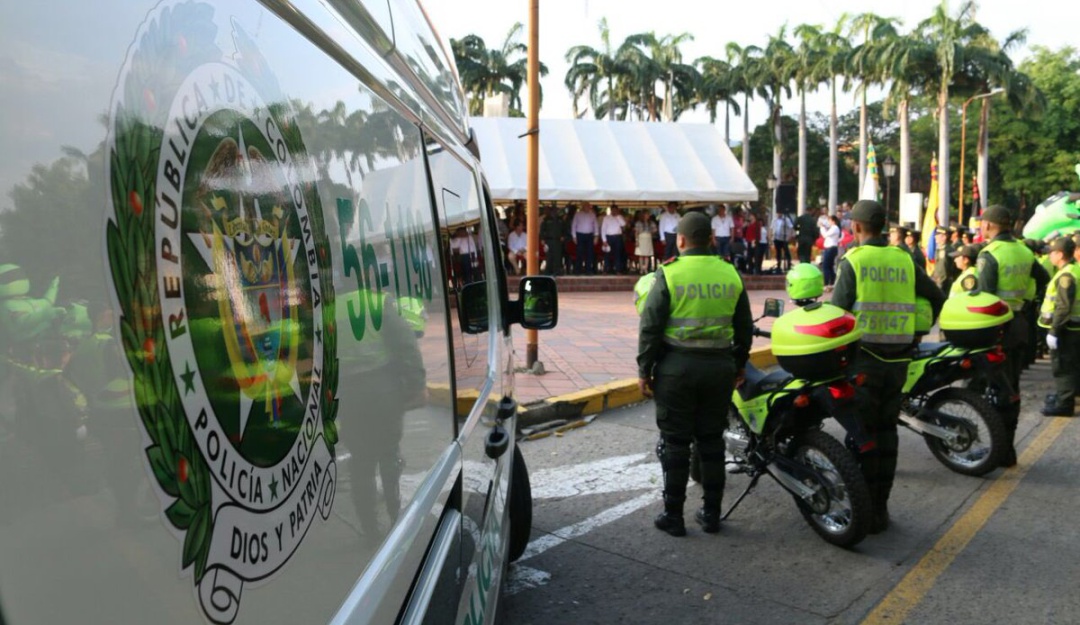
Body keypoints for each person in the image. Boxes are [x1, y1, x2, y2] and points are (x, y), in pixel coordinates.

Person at [831, 199, 945, 534]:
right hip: (899, 361)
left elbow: (838, 314)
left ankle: (863, 509)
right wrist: (917, 333)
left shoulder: (854, 260)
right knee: (886, 433)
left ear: (856, 228)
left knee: (862, 435)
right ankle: (880, 509)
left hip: (864, 360)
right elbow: (936, 297)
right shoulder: (905, 260)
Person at [637, 212, 752, 536]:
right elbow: (744, 327)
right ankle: (711, 513)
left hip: (677, 369)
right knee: (711, 441)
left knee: (675, 443)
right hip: (719, 369)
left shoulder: (670, 273)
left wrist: (644, 369)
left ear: (681, 240)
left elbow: (651, 325)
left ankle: (673, 516)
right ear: (712, 239)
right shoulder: (730, 273)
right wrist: (739, 364)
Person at [976, 205, 1050, 466]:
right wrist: (1027, 299)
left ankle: (998, 450)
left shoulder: (990, 254)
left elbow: (983, 297)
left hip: (996, 329)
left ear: (988, 225)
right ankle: (1007, 448)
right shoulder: (1024, 250)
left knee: (993, 390)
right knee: (1011, 388)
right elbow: (1043, 277)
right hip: (1019, 325)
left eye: (982, 224)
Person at [1038, 236, 1080, 416]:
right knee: (1073, 364)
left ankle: (1064, 404)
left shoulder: (1066, 276)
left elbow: (1063, 306)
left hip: (1066, 328)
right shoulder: (1074, 269)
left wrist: (1054, 331)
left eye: (1052, 253)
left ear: (1060, 254)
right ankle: (1068, 394)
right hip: (1073, 327)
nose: (1049, 257)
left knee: (1063, 366)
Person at [571, 202, 599, 275]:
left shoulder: (592, 214)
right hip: (580, 235)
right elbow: (574, 225)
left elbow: (595, 225)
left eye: (588, 206)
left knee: (589, 253)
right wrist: (574, 236)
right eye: (585, 206)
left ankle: (588, 270)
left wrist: (596, 236)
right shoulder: (578, 214)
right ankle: (578, 270)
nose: (587, 207)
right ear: (583, 207)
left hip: (590, 235)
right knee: (579, 253)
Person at [931, 226, 959, 293]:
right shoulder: (944, 249)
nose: (935, 237)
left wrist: (938, 287)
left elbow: (942, 271)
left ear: (944, 237)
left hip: (943, 285)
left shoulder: (944, 250)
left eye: (938, 235)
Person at [601, 205, 628, 274]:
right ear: (611, 210)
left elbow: (623, 224)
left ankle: (618, 270)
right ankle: (606, 269)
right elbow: (603, 229)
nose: (614, 211)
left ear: (617, 210)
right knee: (607, 254)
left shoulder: (620, 217)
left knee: (618, 254)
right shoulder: (606, 218)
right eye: (613, 210)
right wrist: (604, 240)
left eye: (615, 210)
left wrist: (618, 216)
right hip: (608, 237)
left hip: (618, 237)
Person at [539, 206, 564, 276]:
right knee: (549, 256)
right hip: (548, 241)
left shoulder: (560, 220)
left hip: (557, 241)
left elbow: (564, 230)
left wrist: (564, 237)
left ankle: (557, 271)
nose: (554, 212)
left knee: (557, 256)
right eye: (553, 211)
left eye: (555, 211)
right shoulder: (546, 220)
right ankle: (548, 271)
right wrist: (542, 239)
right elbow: (542, 230)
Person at [820, 215, 841, 286]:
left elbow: (825, 235)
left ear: (833, 221)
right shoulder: (833, 228)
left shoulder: (835, 228)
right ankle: (831, 282)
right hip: (830, 248)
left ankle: (826, 282)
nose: (828, 222)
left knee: (826, 266)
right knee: (830, 266)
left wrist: (822, 227)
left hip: (831, 249)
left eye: (829, 220)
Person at [634, 210, 656, 274]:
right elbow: (636, 232)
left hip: (648, 238)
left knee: (647, 254)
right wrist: (636, 240)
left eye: (648, 215)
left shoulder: (651, 222)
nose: (647, 216)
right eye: (646, 214)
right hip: (641, 238)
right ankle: (641, 268)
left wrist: (651, 233)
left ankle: (645, 268)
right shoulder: (638, 223)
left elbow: (655, 230)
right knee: (641, 254)